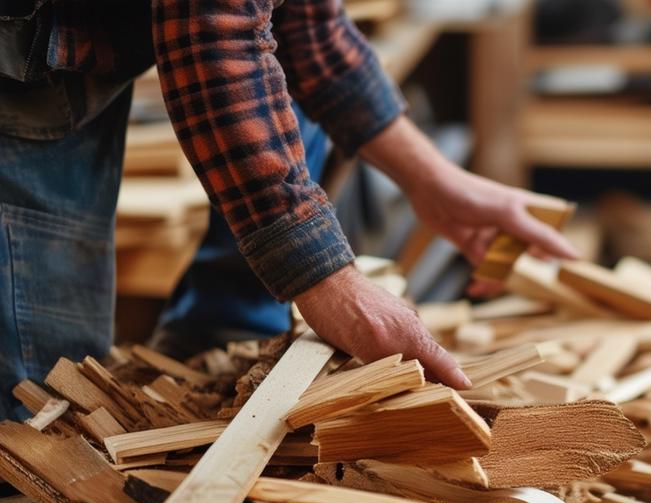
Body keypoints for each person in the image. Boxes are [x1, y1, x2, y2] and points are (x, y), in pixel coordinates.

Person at [0, 0, 579, 420]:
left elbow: (304, 22)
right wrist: (328, 282)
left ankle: (222, 355)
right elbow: (210, 28)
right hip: (20, 63)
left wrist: (435, 181)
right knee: (39, 415)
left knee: (290, 107)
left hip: (71, 42)